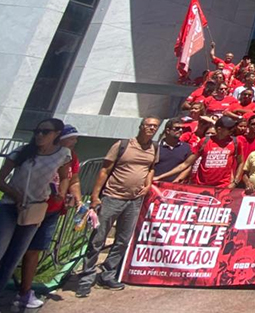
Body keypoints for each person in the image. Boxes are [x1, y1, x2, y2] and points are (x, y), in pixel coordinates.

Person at [77, 117, 160, 298]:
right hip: (112, 197)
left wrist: (147, 185)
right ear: (141, 126)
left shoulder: (154, 148)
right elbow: (105, 170)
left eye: (155, 126)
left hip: (135, 200)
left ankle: (107, 274)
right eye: (149, 125)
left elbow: (151, 168)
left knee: (123, 239)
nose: (152, 128)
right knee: (98, 239)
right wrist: (94, 196)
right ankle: (86, 277)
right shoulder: (122, 145)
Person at [0, 119, 72, 307]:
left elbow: (66, 177)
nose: (39, 135)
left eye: (45, 132)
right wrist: (14, 195)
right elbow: (0, 178)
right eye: (37, 131)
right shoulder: (22, 152)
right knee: (1, 248)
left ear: (57, 134)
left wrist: (62, 194)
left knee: (15, 255)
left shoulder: (63, 155)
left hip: (35, 208)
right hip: (10, 206)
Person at [16, 124, 83, 310]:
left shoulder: (71, 157)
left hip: (52, 210)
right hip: (31, 207)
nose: (74, 142)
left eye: (76, 139)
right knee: (15, 248)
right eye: (71, 138)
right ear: (58, 138)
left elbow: (73, 180)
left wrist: (76, 198)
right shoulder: (43, 154)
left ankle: (24, 291)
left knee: (35, 249)